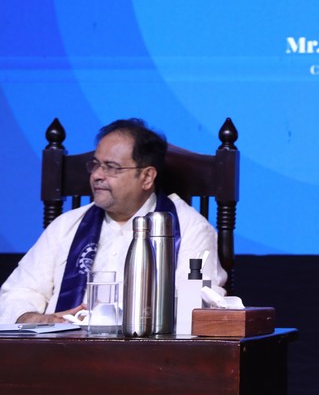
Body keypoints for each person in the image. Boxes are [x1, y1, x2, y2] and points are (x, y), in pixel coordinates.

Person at [0, 118, 227, 324]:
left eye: (111, 168)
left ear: (147, 177)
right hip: (59, 349)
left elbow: (198, 306)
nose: (97, 175)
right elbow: (17, 292)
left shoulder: (189, 229)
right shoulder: (66, 226)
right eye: (95, 165)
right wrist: (37, 319)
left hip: (147, 350)